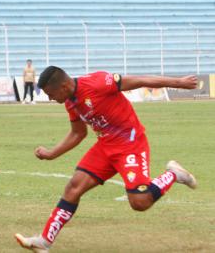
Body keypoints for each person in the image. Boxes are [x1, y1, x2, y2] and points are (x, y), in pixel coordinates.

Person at [14, 66, 198, 252]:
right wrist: (51, 153)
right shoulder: (70, 102)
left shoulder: (97, 82)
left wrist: (179, 82)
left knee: (140, 202)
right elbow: (78, 133)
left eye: (50, 94)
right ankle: (44, 242)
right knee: (73, 187)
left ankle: (173, 174)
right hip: (105, 146)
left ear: (62, 86)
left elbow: (139, 80)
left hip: (130, 144)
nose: (50, 98)